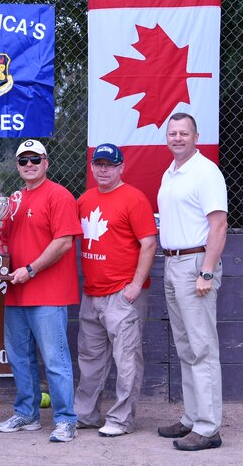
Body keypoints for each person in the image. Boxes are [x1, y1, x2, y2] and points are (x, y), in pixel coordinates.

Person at [0, 139, 82, 443]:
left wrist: (30, 269)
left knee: (55, 359)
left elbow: (64, 242)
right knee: (20, 358)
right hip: (16, 292)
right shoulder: (15, 199)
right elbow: (1, 238)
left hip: (48, 292)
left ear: (46, 162)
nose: (29, 165)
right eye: (23, 161)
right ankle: (27, 414)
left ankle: (65, 419)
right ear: (18, 166)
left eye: (35, 159)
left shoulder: (60, 195)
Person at [75, 143, 157, 437]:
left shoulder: (133, 199)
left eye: (110, 165)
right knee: (90, 358)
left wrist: (135, 285)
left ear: (121, 167)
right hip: (92, 293)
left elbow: (149, 243)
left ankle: (121, 419)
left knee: (127, 359)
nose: (104, 170)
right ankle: (85, 414)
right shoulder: (85, 199)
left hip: (123, 294)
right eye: (99, 164)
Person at [156, 112, 228, 451]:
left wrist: (207, 271)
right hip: (172, 262)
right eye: (172, 133)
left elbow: (218, 225)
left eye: (184, 133)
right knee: (186, 349)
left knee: (202, 348)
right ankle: (192, 418)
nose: (177, 138)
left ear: (196, 136)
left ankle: (208, 427)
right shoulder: (170, 173)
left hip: (195, 263)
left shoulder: (205, 171)